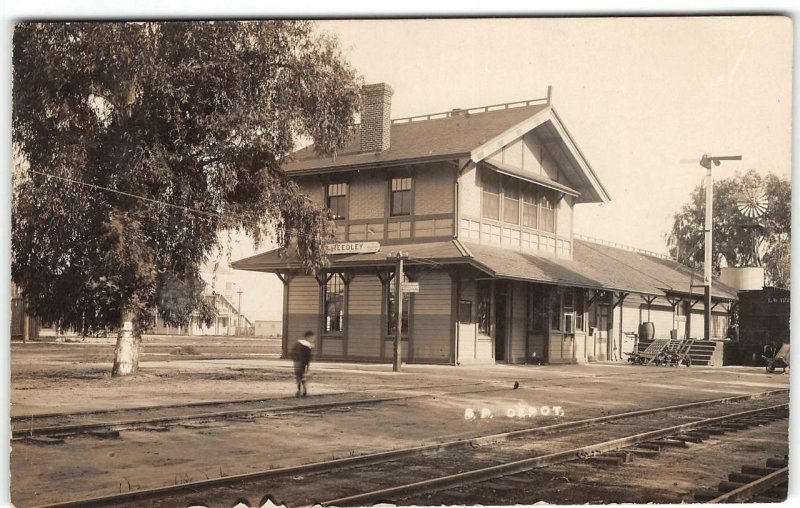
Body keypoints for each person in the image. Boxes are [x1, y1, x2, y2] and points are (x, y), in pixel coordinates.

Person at [292, 331, 314, 397]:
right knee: (303, 377)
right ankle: (304, 391)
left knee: (298, 377)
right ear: (308, 337)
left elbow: (292, 352)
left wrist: (295, 359)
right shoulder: (308, 346)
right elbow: (308, 357)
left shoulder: (297, 343)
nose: (313, 339)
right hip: (303, 363)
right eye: (312, 337)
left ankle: (299, 390)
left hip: (296, 362)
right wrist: (307, 367)